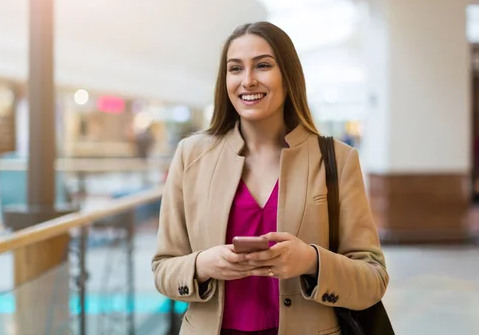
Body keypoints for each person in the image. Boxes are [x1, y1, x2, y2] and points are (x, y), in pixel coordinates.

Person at [152, 22, 388, 335]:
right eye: (235, 69)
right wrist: (202, 265)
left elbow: (373, 278)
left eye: (263, 66)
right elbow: (163, 269)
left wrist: (311, 261)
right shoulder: (191, 156)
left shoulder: (337, 160)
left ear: (288, 77)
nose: (248, 81)